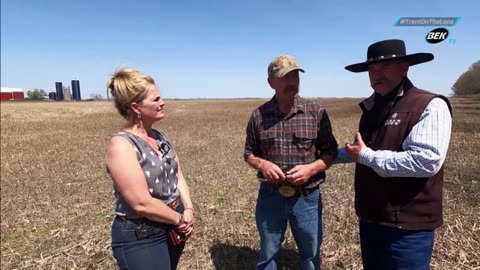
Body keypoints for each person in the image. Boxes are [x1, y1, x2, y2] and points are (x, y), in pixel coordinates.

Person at [337, 39, 452, 270]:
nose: (376, 74)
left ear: (404, 68)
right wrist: (321, 158)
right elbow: (359, 148)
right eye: (371, 69)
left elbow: (425, 161)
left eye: (384, 67)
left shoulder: (429, 104)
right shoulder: (373, 108)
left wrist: (366, 156)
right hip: (372, 219)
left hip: (408, 228)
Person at [244, 54, 338, 270]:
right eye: (285, 77)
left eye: (295, 75)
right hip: (271, 195)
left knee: (310, 254)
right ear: (271, 82)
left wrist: (311, 169)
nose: (292, 81)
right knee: (267, 253)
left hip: (307, 196)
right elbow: (249, 153)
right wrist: (263, 165)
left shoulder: (316, 112)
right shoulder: (258, 116)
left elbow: (330, 151)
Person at [106, 68, 194, 270]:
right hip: (142, 235)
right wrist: (179, 219)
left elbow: (178, 176)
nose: (162, 102)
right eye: (155, 99)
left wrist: (187, 208)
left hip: (172, 225)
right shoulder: (121, 145)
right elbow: (141, 203)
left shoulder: (160, 136)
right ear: (136, 107)